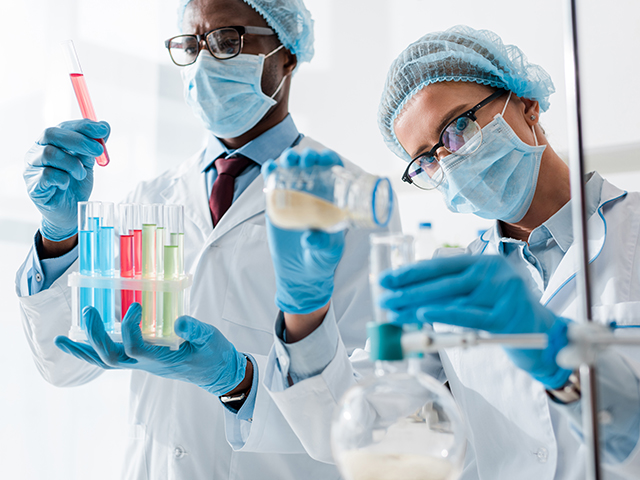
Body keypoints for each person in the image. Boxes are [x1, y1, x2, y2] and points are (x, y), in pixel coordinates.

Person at [16, 0, 399, 478]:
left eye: (225, 40)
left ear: (286, 54)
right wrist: (59, 239)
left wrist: (239, 380)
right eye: (190, 45)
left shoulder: (350, 199)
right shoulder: (151, 196)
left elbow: (367, 408)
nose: (202, 62)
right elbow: (63, 362)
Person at [263, 26, 640, 479]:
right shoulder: (452, 290)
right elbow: (349, 427)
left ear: (526, 104)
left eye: (458, 127)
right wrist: (304, 310)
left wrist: (565, 362)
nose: (450, 161)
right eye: (427, 159)